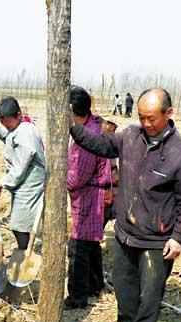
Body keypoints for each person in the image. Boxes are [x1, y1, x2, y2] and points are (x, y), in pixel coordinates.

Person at [69, 88, 181, 322]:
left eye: (151, 118)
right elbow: (102, 145)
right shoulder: (131, 136)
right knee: (123, 283)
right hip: (125, 231)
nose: (145, 123)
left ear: (169, 113)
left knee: (150, 291)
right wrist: (73, 128)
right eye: (141, 117)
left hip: (157, 238)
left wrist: (178, 237)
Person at [65, 86, 112, 309]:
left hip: (90, 198)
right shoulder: (91, 125)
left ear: (73, 112)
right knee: (91, 244)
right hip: (94, 195)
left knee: (78, 248)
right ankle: (96, 286)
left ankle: (77, 297)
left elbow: (77, 178)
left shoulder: (87, 138)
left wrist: (58, 184)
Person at [0, 96, 45, 251]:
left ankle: (26, 253)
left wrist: (2, 182)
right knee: (22, 224)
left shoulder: (26, 133)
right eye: (2, 122)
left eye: (7, 122)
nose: (5, 125)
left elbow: (20, 168)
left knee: (21, 225)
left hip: (30, 185)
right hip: (22, 185)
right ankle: (26, 250)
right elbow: (10, 137)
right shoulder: (18, 128)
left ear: (18, 115)